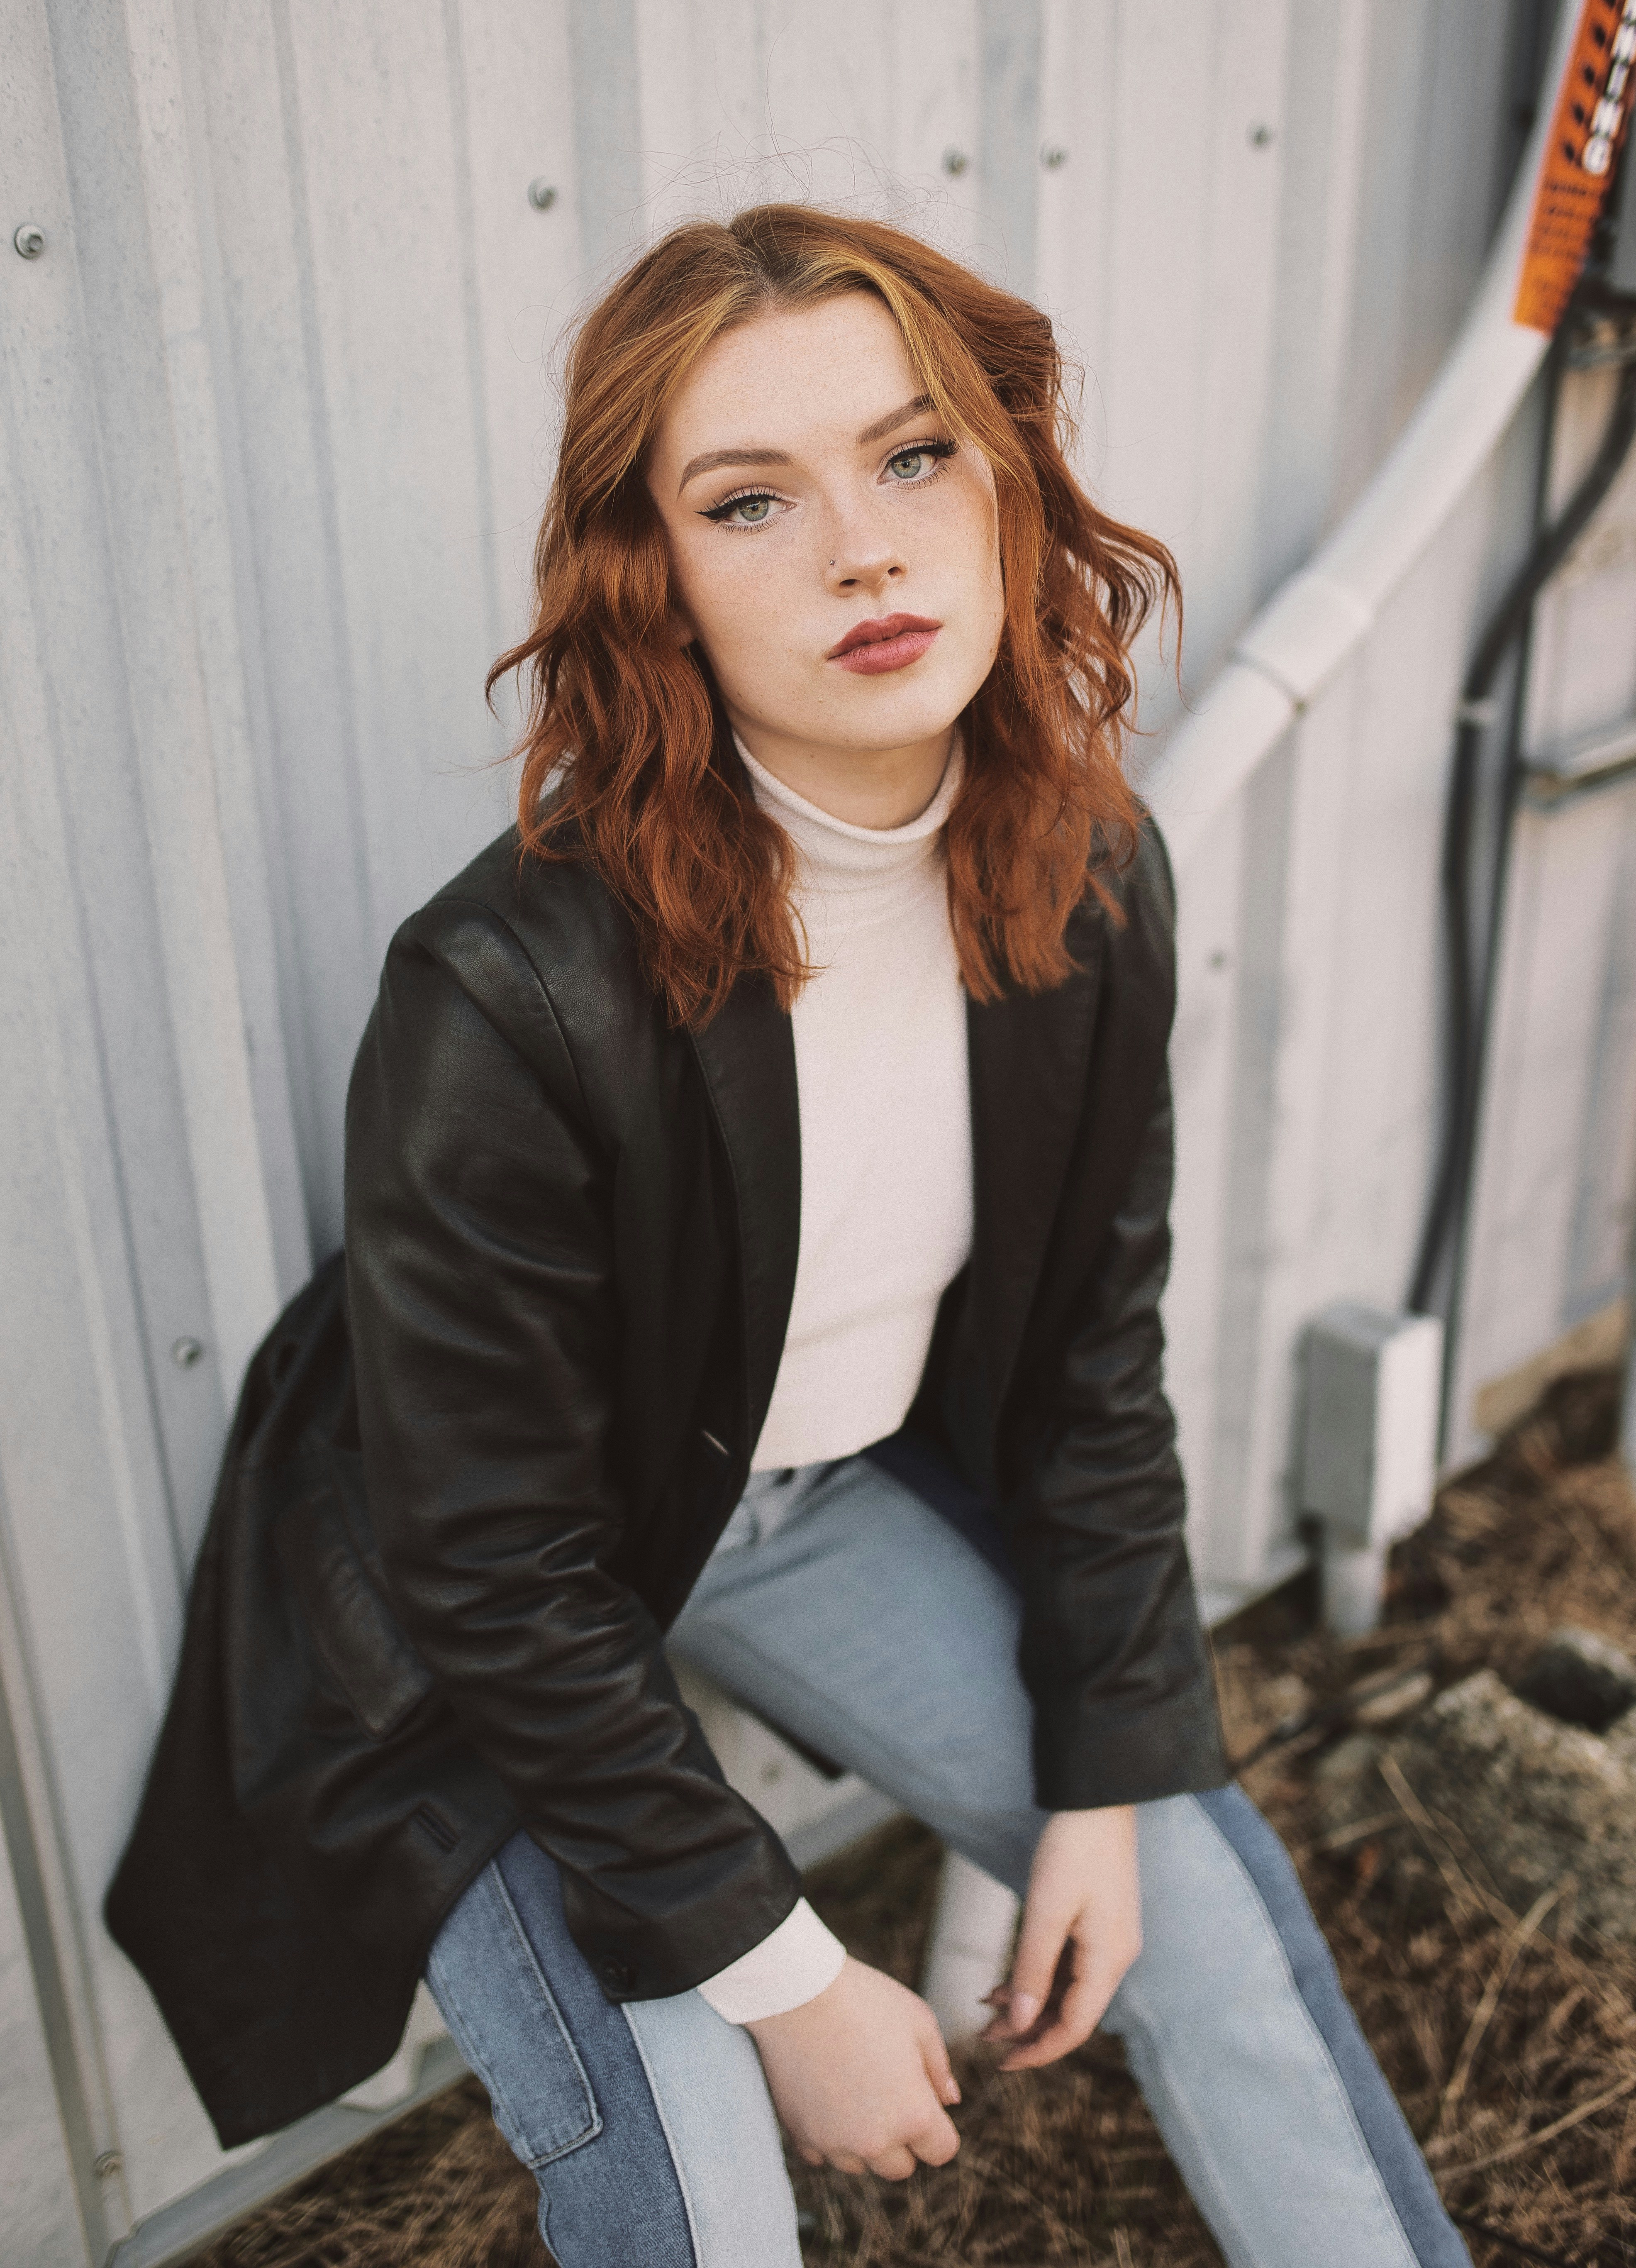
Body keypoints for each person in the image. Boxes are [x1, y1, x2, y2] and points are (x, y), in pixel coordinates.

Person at [112, 204, 1468, 2268]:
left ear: (1009, 484)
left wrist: (1100, 1778)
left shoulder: (1089, 877)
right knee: (703, 2205)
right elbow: (485, 1556)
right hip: (479, 1609)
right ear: (652, 582)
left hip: (793, 1499)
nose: (865, 548)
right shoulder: (507, 983)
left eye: (915, 456)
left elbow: (1097, 1357)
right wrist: (782, 1970)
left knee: (1201, 1895)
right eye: (753, 501)